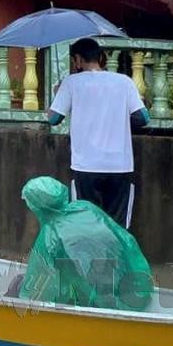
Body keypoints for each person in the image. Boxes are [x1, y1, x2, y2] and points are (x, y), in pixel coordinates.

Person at [47, 37, 149, 228]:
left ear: (77, 59)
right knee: (117, 225)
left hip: (86, 165)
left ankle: (89, 258)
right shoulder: (124, 82)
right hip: (120, 165)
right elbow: (143, 118)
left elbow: (53, 119)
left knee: (86, 221)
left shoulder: (70, 83)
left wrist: (56, 94)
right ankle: (114, 258)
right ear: (100, 57)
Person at [17, 176, 152, 311]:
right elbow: (124, 239)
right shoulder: (85, 207)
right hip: (132, 289)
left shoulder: (49, 237)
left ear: (36, 206)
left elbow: (36, 290)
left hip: (99, 303)